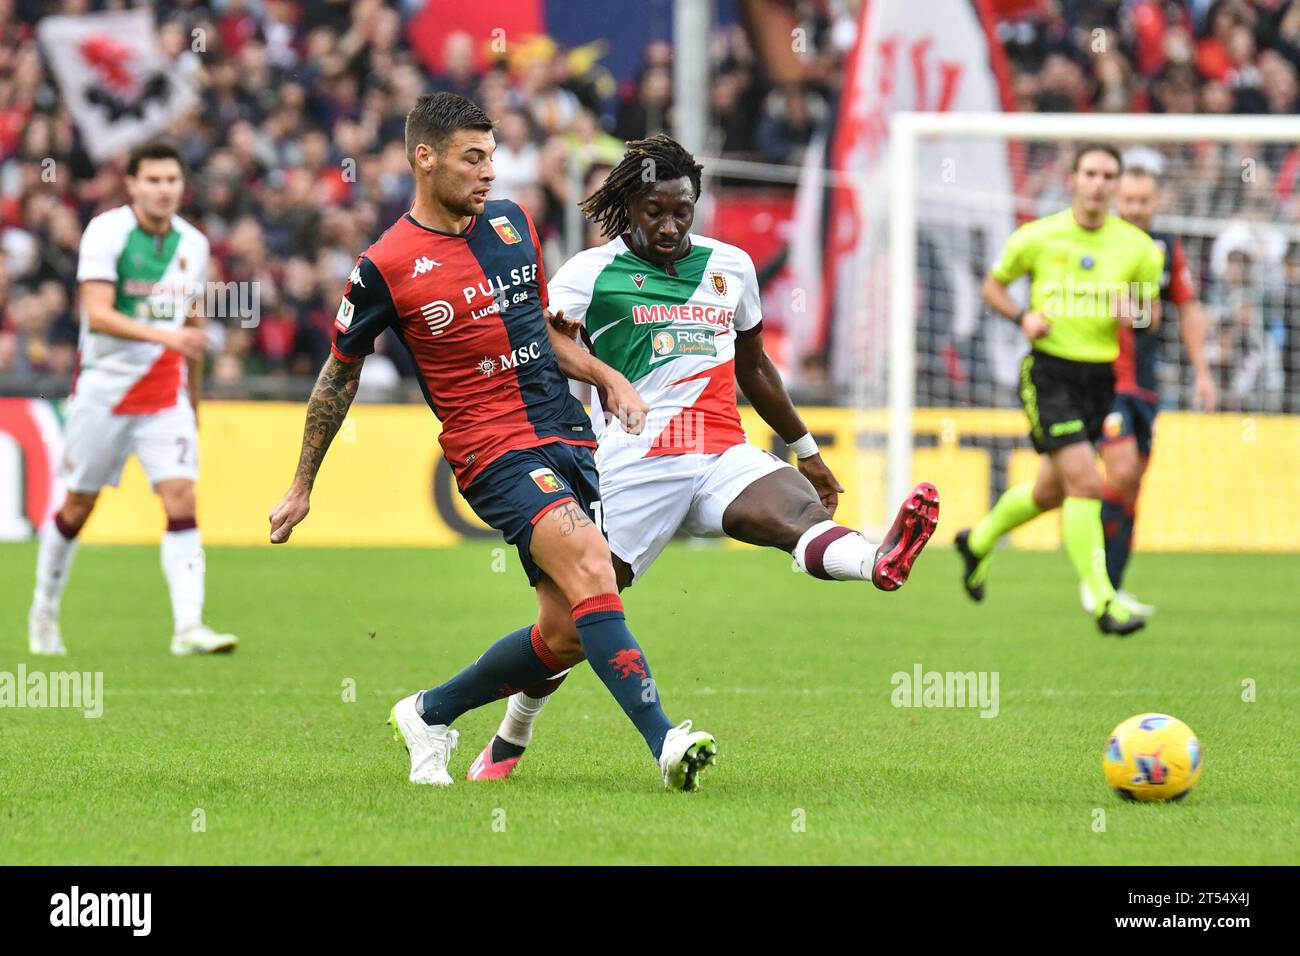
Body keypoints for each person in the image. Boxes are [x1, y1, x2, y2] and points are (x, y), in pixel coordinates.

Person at [267, 94, 716, 791]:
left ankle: (429, 712)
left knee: (565, 633)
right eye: (472, 159)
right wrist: (302, 485)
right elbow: (339, 373)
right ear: (426, 157)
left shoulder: (511, 224)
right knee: (596, 568)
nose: (488, 173)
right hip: (492, 450)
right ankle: (665, 741)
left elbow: (540, 328)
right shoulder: (385, 264)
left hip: (566, 433)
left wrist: (608, 379)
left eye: (492, 157)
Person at [467, 134, 940, 781]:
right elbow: (547, 345)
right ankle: (510, 736)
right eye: (654, 212)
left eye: (681, 211)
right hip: (634, 466)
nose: (668, 225)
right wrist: (604, 386)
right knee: (571, 625)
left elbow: (755, 366)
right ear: (628, 206)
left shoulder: (730, 267)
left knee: (794, 517)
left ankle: (876, 559)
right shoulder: (590, 273)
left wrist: (805, 450)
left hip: (719, 451)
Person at [28, 140, 235, 657]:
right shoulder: (107, 232)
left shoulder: (194, 243)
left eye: (172, 181)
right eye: (154, 180)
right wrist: (169, 338)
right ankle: (44, 609)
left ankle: (189, 626)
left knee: (182, 497)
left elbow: (192, 326)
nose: (164, 190)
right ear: (133, 184)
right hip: (105, 389)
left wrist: (195, 401)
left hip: (165, 394)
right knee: (78, 506)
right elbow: (97, 313)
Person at [954, 143, 1163, 636]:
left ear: (1116, 185)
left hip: (1100, 379)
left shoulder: (1137, 248)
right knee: (1088, 483)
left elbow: (1150, 316)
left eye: (1108, 175)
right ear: (1072, 179)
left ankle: (978, 540)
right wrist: (1022, 316)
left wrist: (1130, 313)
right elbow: (993, 287)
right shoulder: (1038, 236)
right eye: (1090, 172)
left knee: (1050, 491)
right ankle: (1103, 599)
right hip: (1049, 374)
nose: (1098, 183)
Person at [1081, 163, 1218, 618]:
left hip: (1146, 385)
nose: (1136, 209)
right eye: (1130, 201)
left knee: (1133, 484)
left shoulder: (1166, 250)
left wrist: (1202, 372)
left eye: (1144, 202)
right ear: (1118, 202)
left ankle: (1112, 589)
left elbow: (1185, 310)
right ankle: (1094, 579)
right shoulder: (1097, 244)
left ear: (1156, 203)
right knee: (1118, 472)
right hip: (1105, 378)